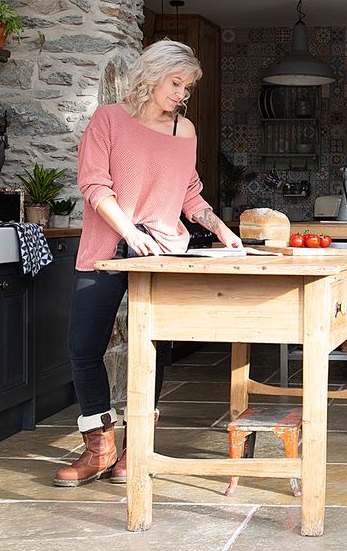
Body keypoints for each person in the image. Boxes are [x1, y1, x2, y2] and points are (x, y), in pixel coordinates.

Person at [54, 40, 241, 486]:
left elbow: (188, 191)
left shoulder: (185, 132)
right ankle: (99, 448)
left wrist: (218, 227)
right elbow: (96, 186)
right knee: (84, 348)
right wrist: (130, 232)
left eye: (188, 87)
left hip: (160, 252)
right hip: (106, 247)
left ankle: (136, 449)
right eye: (176, 83)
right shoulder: (109, 120)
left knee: (150, 351)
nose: (182, 94)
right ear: (151, 75)